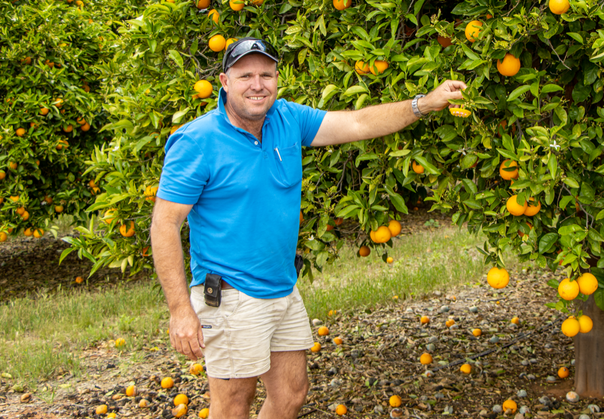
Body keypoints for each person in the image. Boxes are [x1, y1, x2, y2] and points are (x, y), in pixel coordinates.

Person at [150, 38, 466, 419]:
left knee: (291, 395)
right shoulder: (198, 141)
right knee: (233, 404)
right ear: (224, 81)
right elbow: (165, 224)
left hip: (282, 288)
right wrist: (180, 310)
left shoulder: (287, 120)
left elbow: (358, 122)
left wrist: (424, 104)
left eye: (266, 74)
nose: (257, 84)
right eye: (245, 75)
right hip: (232, 295)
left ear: (277, 79)